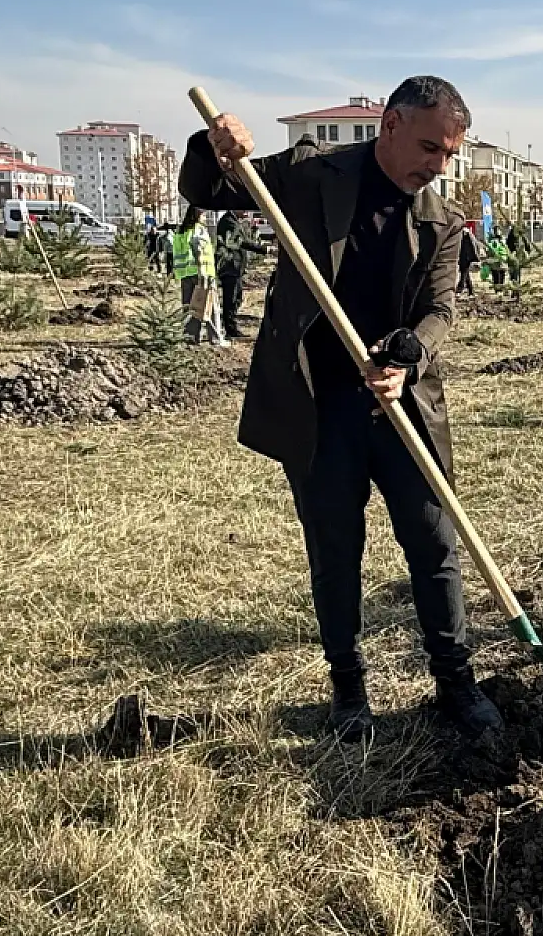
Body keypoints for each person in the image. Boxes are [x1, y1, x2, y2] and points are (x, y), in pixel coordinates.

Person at [178, 74, 502, 743]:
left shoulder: (440, 220)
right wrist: (217, 144)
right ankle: (348, 686)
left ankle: (455, 681)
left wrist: (411, 355)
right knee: (335, 547)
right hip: (320, 405)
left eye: (449, 155)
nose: (438, 166)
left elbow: (440, 310)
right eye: (430, 148)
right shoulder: (309, 174)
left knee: (434, 543)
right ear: (390, 124)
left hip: (402, 407)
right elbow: (210, 190)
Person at [171, 207, 228, 347]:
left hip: (185, 273)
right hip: (202, 273)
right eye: (203, 214)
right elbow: (199, 250)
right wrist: (203, 272)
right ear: (197, 215)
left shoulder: (181, 232)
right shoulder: (199, 230)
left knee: (190, 307)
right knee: (210, 305)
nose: (205, 217)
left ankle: (190, 336)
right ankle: (216, 338)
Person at [215, 210, 269, 340]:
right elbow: (240, 242)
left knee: (237, 297)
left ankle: (231, 326)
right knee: (231, 299)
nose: (246, 211)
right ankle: (230, 329)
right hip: (229, 266)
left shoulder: (234, 221)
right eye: (243, 209)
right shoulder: (228, 222)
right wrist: (262, 249)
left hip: (235, 268)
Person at [456, 220, 481, 296]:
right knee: (466, 273)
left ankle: (460, 289)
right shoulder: (466, 233)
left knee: (464, 273)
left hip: (466, 256)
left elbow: (473, 246)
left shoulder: (465, 234)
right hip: (464, 256)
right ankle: (471, 291)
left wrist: (475, 256)